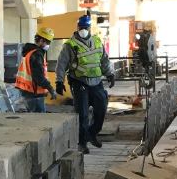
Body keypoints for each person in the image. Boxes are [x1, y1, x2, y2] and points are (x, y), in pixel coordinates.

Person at [55, 14, 115, 154]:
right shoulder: (70, 45)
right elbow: (61, 64)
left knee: (101, 109)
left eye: (86, 27)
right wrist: (59, 81)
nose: (83, 30)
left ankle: (92, 133)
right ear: (77, 27)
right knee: (82, 114)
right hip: (79, 83)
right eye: (81, 27)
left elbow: (104, 60)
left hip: (96, 83)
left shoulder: (97, 41)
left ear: (89, 28)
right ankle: (82, 142)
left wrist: (110, 74)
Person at [16, 26, 58, 112]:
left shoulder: (29, 52)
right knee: (39, 121)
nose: (48, 45)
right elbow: (39, 76)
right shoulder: (36, 55)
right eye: (48, 42)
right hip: (34, 94)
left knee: (33, 120)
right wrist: (50, 89)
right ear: (42, 40)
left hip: (27, 91)